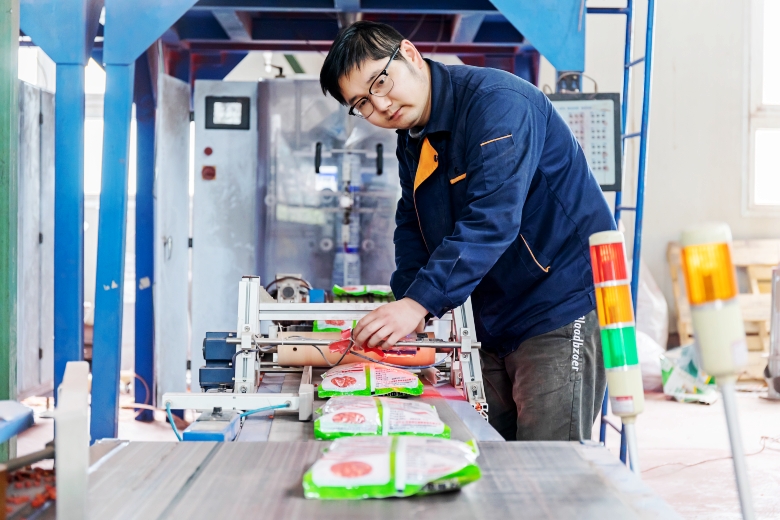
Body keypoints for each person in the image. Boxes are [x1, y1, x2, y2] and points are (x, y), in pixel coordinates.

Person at [319, 21, 615, 441]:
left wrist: (419, 303)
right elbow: (413, 220)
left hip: (558, 304)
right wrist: (409, 301)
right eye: (362, 103)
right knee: (486, 447)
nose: (381, 105)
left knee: (547, 460)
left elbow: (492, 219)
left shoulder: (498, 104)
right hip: (493, 314)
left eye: (380, 81)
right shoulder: (414, 136)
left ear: (410, 54)